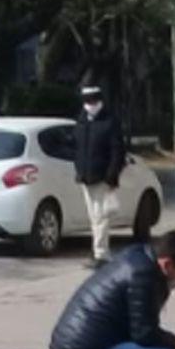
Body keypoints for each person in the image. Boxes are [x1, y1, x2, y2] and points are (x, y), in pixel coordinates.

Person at [73, 85, 127, 268]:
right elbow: (78, 149)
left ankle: (101, 254)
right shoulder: (82, 122)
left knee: (102, 217)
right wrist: (79, 169)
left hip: (103, 178)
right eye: (87, 101)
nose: (90, 105)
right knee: (94, 217)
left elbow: (117, 151)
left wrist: (111, 176)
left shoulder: (110, 122)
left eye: (93, 101)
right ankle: (98, 251)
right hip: (86, 178)